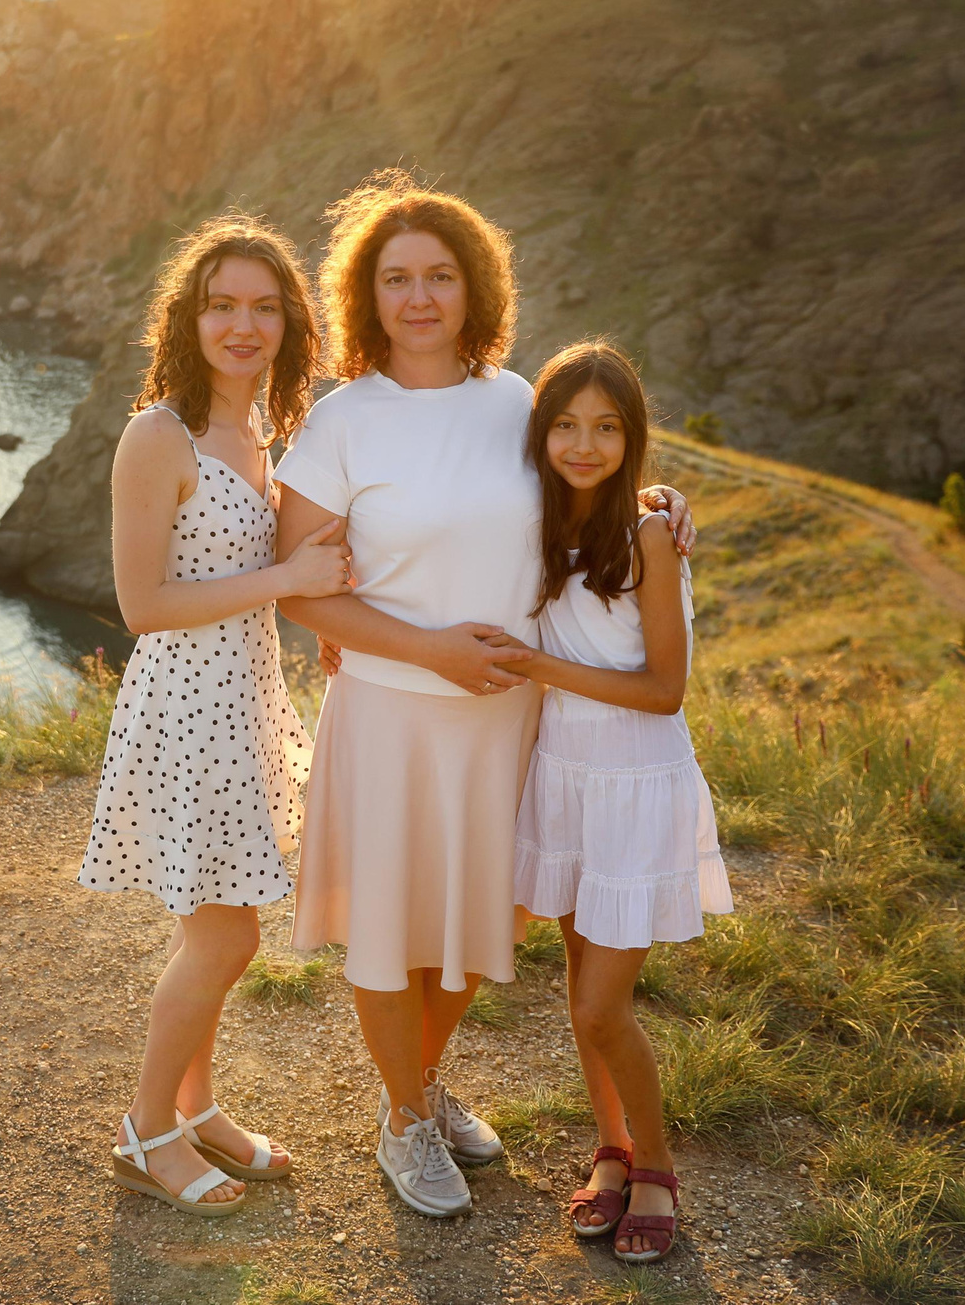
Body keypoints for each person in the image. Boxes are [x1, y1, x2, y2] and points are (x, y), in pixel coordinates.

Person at [272, 171, 693, 1219]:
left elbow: (585, 476)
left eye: (441, 277)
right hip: (388, 712)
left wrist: (659, 500)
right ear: (367, 297)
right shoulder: (339, 424)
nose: (419, 298)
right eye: (397, 278)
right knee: (386, 925)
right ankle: (406, 1122)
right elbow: (306, 597)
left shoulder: (516, 403)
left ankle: (412, 1087)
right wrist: (426, 649)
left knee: (472, 925)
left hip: (507, 718)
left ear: (475, 289)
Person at [79, 214, 351, 1218]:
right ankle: (146, 1130)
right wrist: (285, 578)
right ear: (187, 321)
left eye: (263, 307)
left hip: (241, 701)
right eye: (221, 305)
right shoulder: (160, 435)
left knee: (224, 926)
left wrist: (308, 608)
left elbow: (251, 574)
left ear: (289, 323)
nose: (243, 324)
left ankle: (197, 1110)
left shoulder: (261, 431)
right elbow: (142, 606)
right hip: (184, 709)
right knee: (225, 938)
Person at [501, 340, 730, 1261]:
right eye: (564, 424)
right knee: (576, 975)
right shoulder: (540, 520)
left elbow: (666, 688)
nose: (584, 443)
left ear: (633, 438)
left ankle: (660, 1166)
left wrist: (542, 667)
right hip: (565, 773)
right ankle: (611, 1147)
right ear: (541, 433)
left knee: (604, 1006)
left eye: (605, 427)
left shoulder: (645, 534)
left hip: (636, 781)